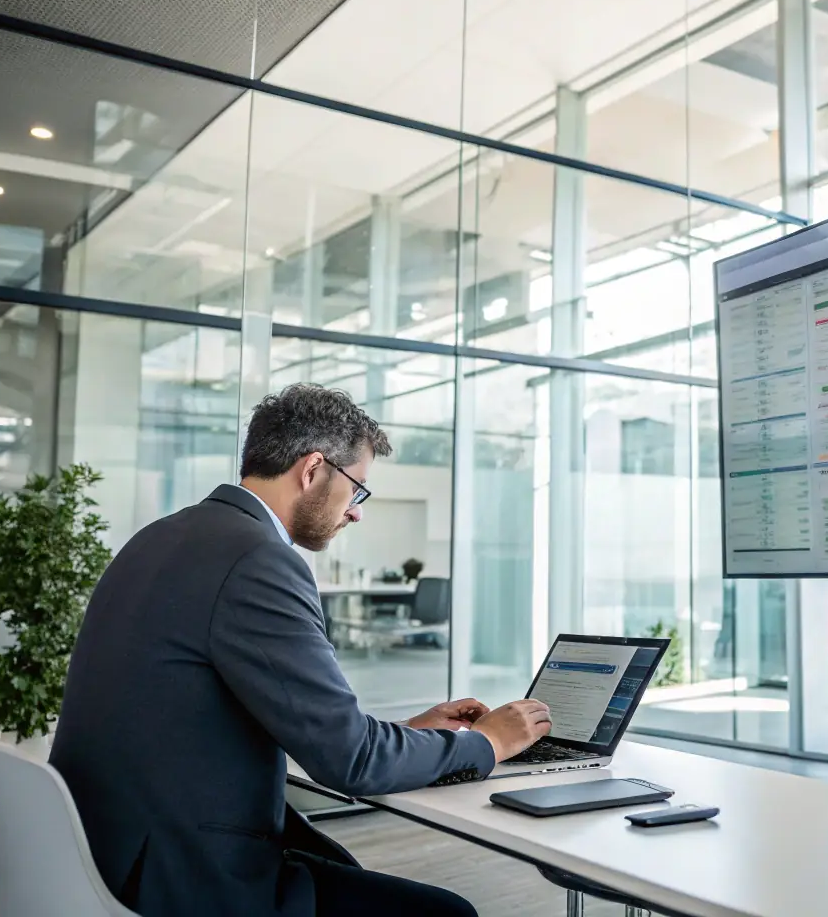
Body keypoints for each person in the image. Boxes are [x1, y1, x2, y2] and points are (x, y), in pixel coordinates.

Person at [51, 383, 552, 917]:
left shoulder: (160, 537)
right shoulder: (258, 560)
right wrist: (487, 743)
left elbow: (306, 730)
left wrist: (410, 733)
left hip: (111, 851)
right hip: (187, 878)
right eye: (357, 489)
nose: (356, 512)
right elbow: (350, 761)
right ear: (313, 470)